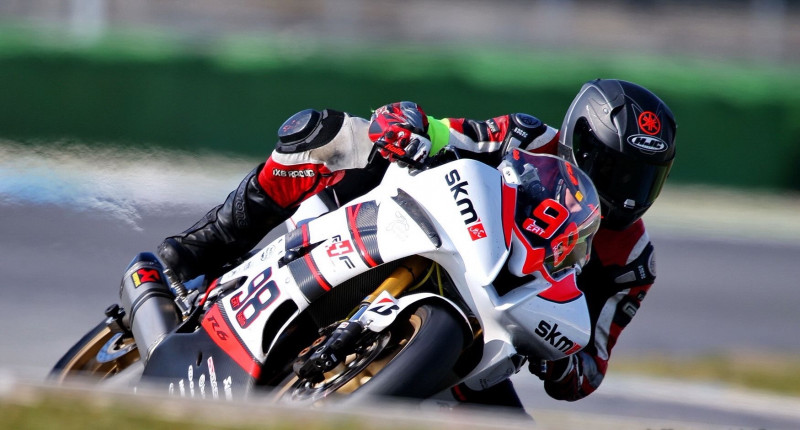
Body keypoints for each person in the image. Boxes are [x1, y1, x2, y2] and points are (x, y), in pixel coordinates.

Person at [156, 78, 676, 408]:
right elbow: (446, 132)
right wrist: (408, 126)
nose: (626, 193)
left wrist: (558, 357)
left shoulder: (633, 263)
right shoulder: (523, 138)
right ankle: (207, 245)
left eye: (643, 179)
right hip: (436, 239)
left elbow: (589, 370)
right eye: (615, 170)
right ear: (580, 139)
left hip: (491, 339)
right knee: (329, 134)